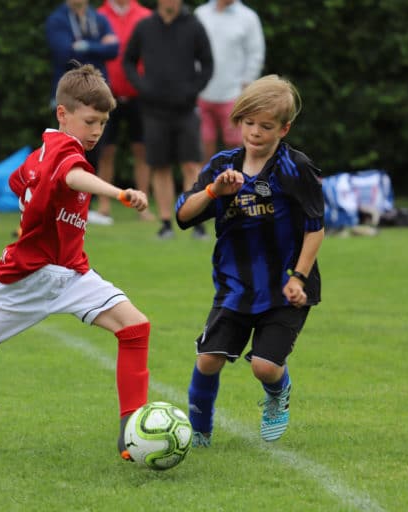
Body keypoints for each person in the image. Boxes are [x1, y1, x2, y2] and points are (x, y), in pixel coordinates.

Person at [0, 64, 151, 462]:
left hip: (71, 272)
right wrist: (117, 192)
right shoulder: (64, 153)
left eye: (103, 123)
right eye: (90, 121)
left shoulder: (42, 154)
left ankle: (132, 427)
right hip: (22, 279)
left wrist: (33, 197)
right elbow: (72, 177)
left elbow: (18, 180)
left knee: (135, 326)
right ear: (62, 114)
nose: (96, 131)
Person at [175, 75, 324, 447]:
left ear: (284, 128)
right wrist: (214, 191)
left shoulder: (295, 168)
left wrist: (299, 277)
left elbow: (315, 227)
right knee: (208, 359)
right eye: (249, 123)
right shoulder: (222, 165)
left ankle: (277, 395)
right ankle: (199, 434)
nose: (255, 132)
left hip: (286, 288)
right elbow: (182, 215)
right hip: (235, 287)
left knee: (264, 366)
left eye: (266, 126)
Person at [123, 0, 213, 239]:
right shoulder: (145, 26)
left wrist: (193, 89)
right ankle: (165, 222)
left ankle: (196, 221)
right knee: (159, 165)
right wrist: (143, 87)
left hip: (185, 109)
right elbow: (128, 60)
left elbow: (207, 63)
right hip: (154, 111)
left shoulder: (194, 25)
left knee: (191, 164)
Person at [46, 0, 119, 226]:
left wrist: (85, 45)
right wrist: (98, 46)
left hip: (97, 97)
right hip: (72, 98)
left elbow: (114, 49)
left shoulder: (98, 18)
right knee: (67, 151)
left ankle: (99, 208)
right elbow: (64, 52)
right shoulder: (57, 19)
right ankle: (62, 205)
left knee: (99, 150)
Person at [95, 0, 154, 223]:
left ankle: (143, 206)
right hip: (107, 94)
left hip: (139, 95)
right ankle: (103, 206)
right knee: (106, 151)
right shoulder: (99, 16)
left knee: (142, 151)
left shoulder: (145, 16)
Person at [195, 0, 265, 164]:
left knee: (236, 151)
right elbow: (192, 51)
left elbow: (255, 55)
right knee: (203, 150)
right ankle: (206, 188)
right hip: (202, 94)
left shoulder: (248, 18)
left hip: (234, 96)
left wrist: (245, 90)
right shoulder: (201, 14)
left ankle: (235, 189)